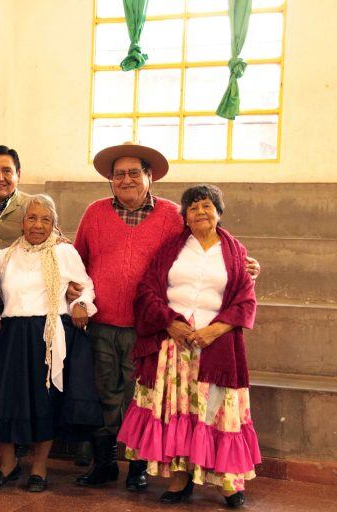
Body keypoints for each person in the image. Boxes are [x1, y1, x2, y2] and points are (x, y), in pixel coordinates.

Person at [71, 142, 261, 491]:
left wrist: (246, 264)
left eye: (134, 173)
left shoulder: (174, 215)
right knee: (104, 395)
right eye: (119, 174)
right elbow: (77, 260)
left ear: (150, 176)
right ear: (110, 180)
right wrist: (75, 291)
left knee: (142, 397)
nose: (126, 180)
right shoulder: (95, 212)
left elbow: (208, 245)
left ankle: (139, 466)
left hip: (149, 329)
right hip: (103, 323)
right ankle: (105, 463)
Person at [117, 185, 259, 508]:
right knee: (178, 412)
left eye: (207, 206)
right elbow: (147, 291)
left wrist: (214, 331)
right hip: (175, 347)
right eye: (192, 208)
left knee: (216, 413)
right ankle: (179, 479)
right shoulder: (171, 250)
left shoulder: (236, 253)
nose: (200, 213)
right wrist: (170, 323)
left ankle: (227, 482)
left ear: (219, 212)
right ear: (185, 217)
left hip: (217, 346)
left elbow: (245, 301)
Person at [0, 194, 102, 492]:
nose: (38, 225)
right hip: (10, 336)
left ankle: (39, 467)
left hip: (49, 334)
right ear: (22, 222)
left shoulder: (65, 253)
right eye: (32, 218)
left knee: (44, 401)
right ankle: (8, 464)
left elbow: (86, 287)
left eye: (45, 219)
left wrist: (81, 305)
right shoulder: (4, 255)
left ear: (54, 224)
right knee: (4, 399)